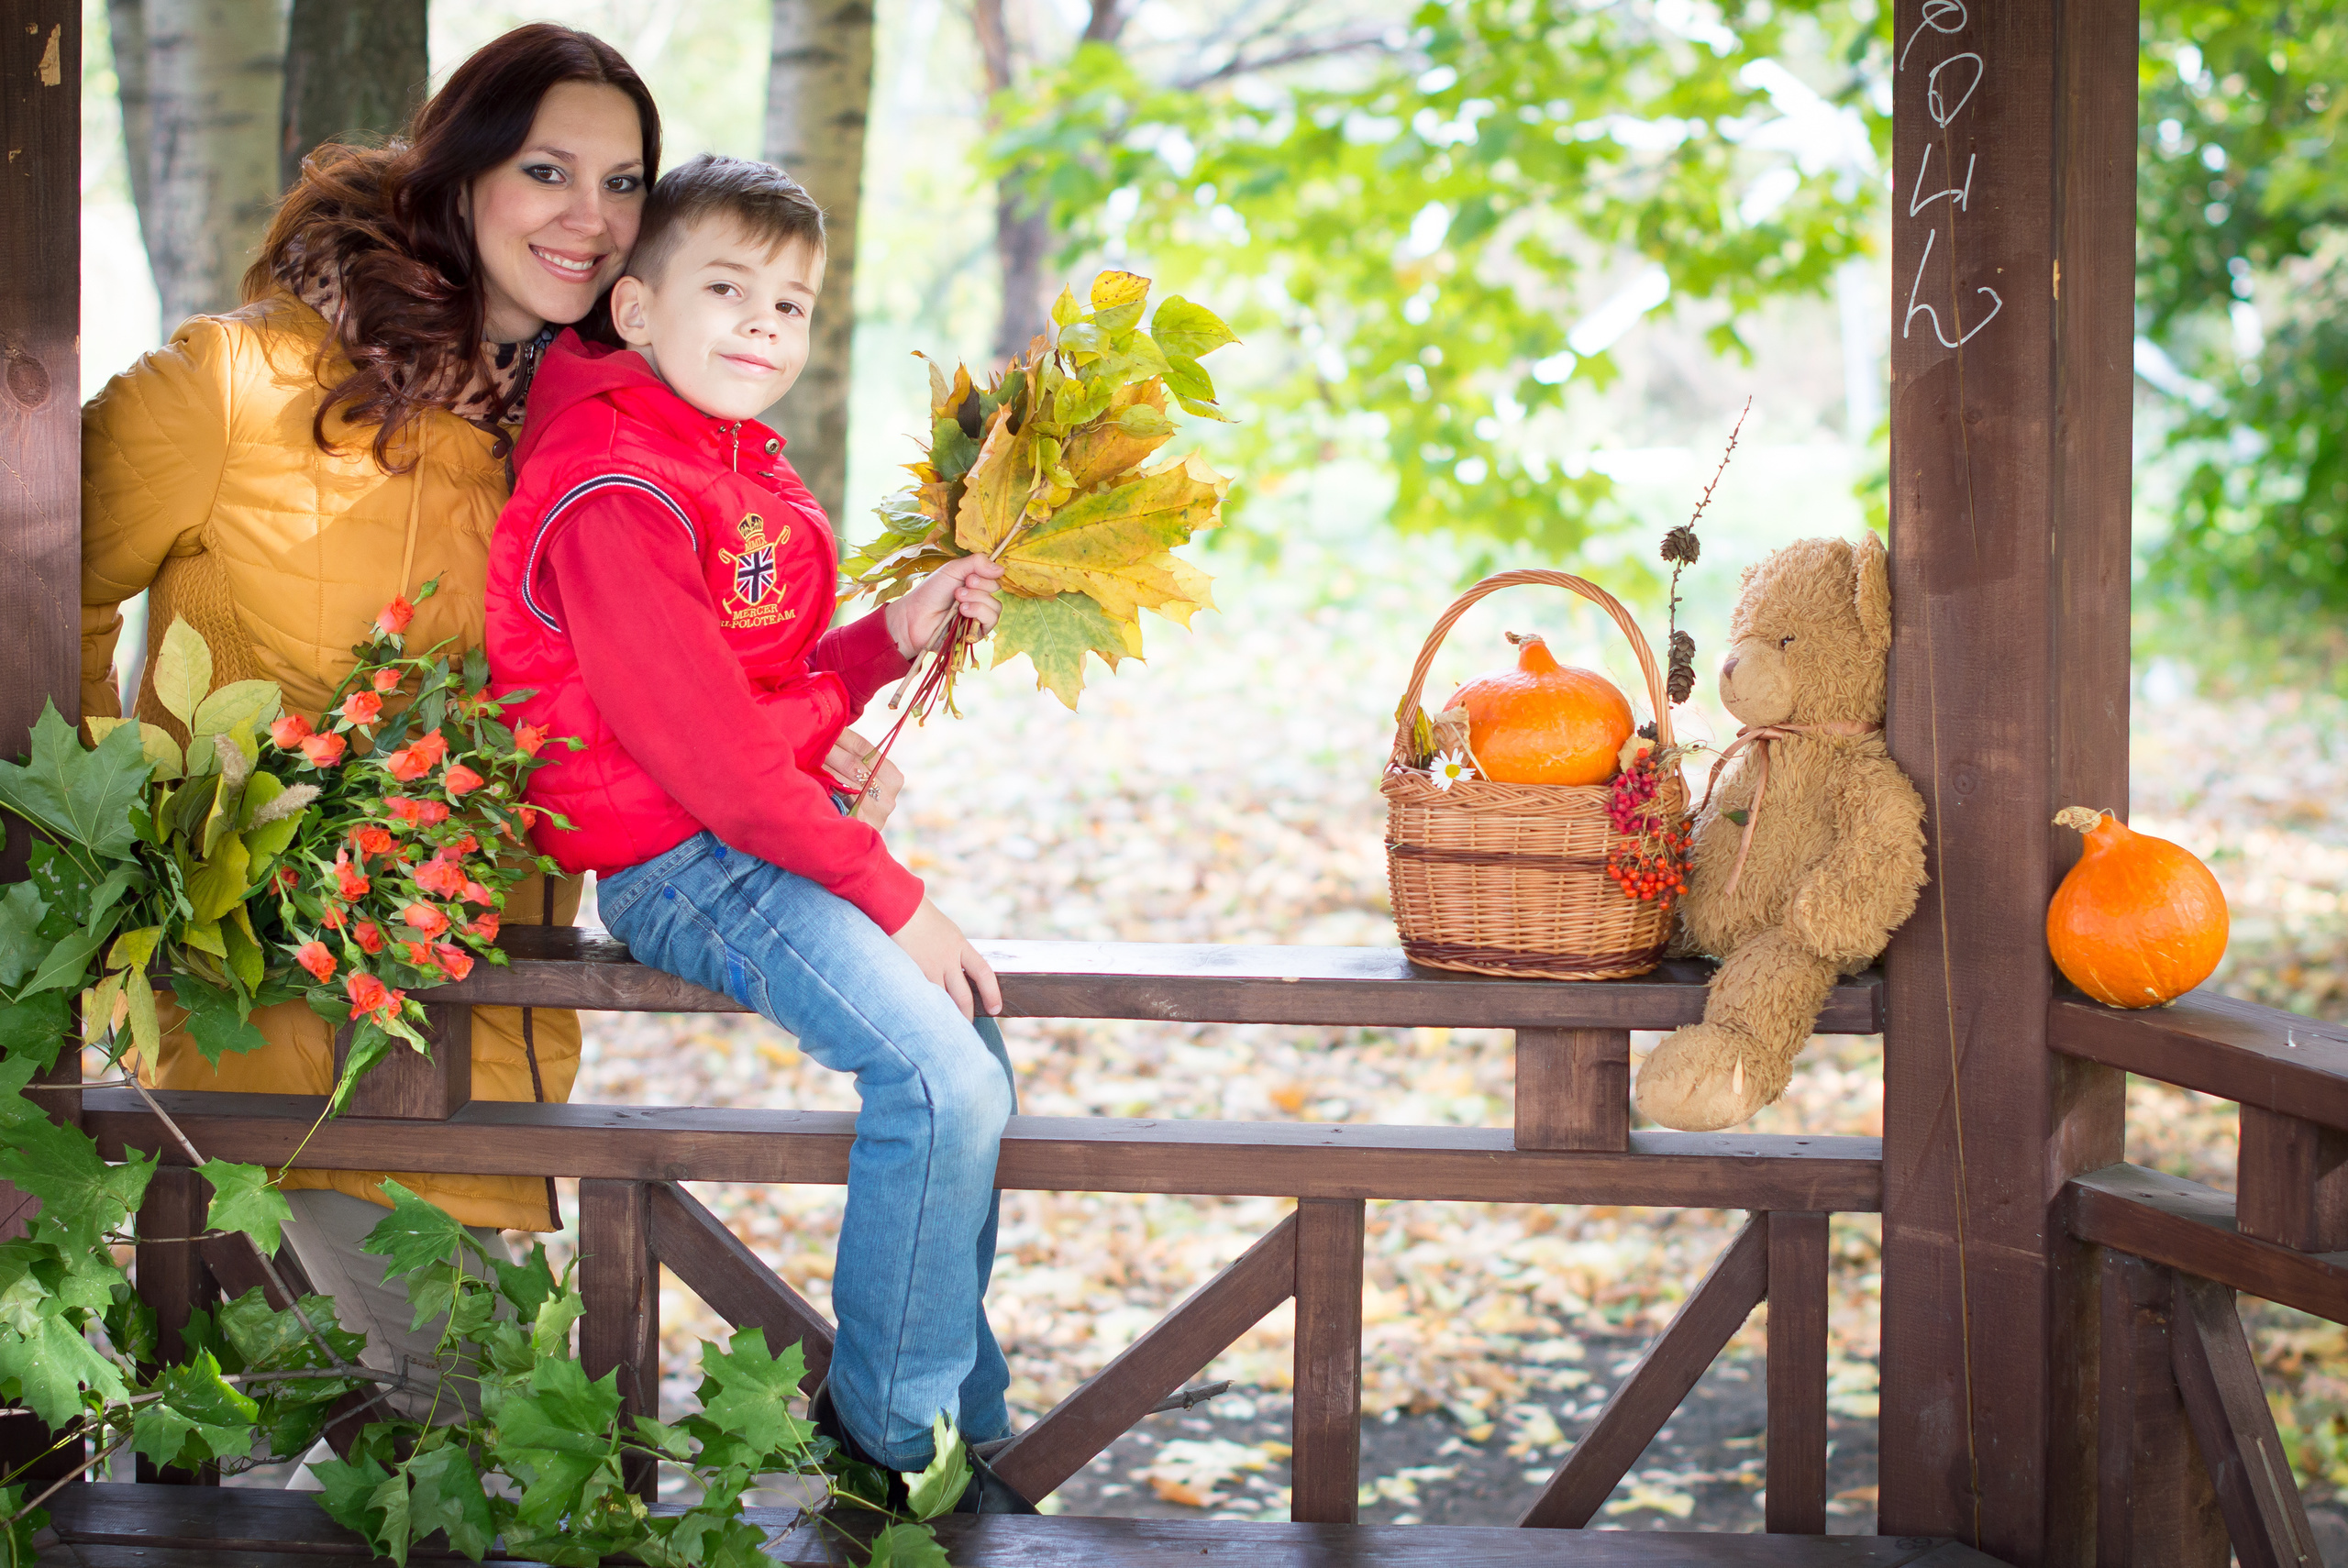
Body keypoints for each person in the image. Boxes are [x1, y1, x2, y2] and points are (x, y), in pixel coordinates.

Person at [80, 25, 658, 1427]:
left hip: (486, 1033)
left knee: (402, 1467)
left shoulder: (585, 449)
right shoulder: (236, 386)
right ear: (459, 172)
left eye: (627, 181)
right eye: (548, 169)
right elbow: (32, 582)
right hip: (271, 1043)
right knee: (449, 1445)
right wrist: (134, 838)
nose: (594, 216)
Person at [482, 153, 1026, 1509]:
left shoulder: (721, 461)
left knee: (977, 1050)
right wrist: (899, 898)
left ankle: (970, 1417)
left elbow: (754, 700)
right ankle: (891, 1457)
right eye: (727, 290)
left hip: (734, 838)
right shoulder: (615, 485)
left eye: (791, 306)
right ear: (635, 309)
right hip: (678, 865)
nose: (761, 328)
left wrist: (890, 637)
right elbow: (718, 764)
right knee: (940, 1080)